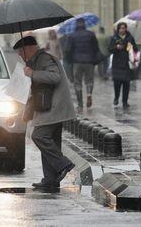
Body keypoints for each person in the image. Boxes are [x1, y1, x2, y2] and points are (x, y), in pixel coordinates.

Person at [15, 36, 76, 191]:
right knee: (51, 142)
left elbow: (54, 77)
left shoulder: (44, 59)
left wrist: (33, 73)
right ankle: (50, 179)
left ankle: (64, 164)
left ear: (29, 49)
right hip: (48, 107)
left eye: (21, 52)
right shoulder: (35, 60)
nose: (20, 56)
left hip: (53, 107)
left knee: (39, 136)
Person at [66, 18, 101, 110]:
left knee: (77, 82)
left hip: (77, 62)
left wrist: (70, 61)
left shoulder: (72, 36)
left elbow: (68, 50)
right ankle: (89, 94)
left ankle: (80, 104)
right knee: (89, 80)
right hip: (89, 61)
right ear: (85, 24)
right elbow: (96, 48)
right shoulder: (91, 34)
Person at [109, 22, 138, 108]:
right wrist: (116, 47)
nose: (122, 30)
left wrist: (131, 47)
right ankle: (116, 98)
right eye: (121, 28)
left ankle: (125, 101)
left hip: (126, 63)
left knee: (126, 83)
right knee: (117, 83)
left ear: (126, 29)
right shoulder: (114, 38)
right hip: (117, 64)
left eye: (124, 28)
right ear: (118, 29)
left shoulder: (130, 38)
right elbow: (109, 49)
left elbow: (135, 49)